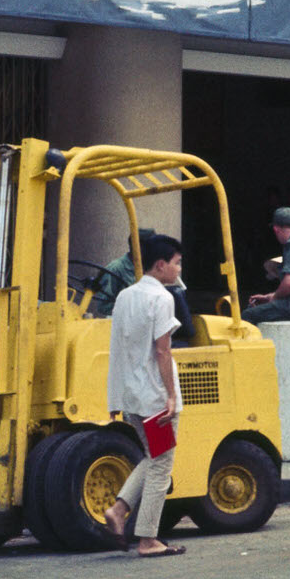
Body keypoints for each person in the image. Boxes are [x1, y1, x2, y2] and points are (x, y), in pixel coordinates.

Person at [102, 234, 187, 557]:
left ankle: (119, 510)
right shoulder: (162, 298)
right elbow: (163, 352)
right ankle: (148, 539)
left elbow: (117, 350)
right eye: (177, 263)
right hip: (155, 396)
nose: (179, 269)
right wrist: (170, 397)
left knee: (154, 457)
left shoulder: (125, 296)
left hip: (131, 395)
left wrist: (114, 398)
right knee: (161, 463)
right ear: (161, 265)